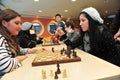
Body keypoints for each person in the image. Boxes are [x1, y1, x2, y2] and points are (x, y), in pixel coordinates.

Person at [0, 9, 37, 78]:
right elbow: (6, 66)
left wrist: (28, 50)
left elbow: (18, 50)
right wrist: (19, 58)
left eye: (21, 24)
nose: (20, 27)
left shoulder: (11, 38)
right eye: (16, 23)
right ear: (4, 23)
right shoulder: (0, 39)